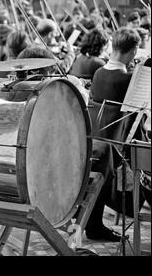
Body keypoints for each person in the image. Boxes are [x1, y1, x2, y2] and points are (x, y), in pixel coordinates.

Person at [86, 28, 144, 242]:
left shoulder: (99, 72)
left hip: (95, 138)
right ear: (134, 49)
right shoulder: (126, 79)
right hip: (114, 145)